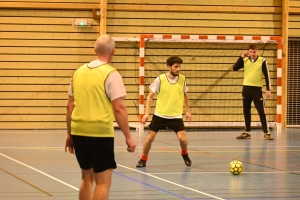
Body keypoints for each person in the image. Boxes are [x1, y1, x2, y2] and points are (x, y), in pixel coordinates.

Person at [65, 34, 136, 200]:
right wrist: (128, 137)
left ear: (95, 50)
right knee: (103, 182)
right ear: (114, 52)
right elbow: (118, 108)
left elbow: (69, 105)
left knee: (86, 177)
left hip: (78, 131)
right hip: (100, 134)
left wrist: (69, 134)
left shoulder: (78, 72)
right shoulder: (112, 74)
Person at [136, 56, 192, 168]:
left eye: (179, 66)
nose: (178, 69)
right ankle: (143, 159)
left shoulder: (182, 79)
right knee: (149, 139)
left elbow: (185, 95)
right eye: (176, 66)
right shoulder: (160, 79)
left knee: (183, 139)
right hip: (160, 115)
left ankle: (184, 153)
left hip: (176, 116)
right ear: (169, 67)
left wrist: (188, 111)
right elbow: (149, 97)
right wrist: (146, 113)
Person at [233, 44, 273, 140]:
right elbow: (234, 68)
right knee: (246, 111)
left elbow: (267, 75)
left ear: (257, 51)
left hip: (257, 89)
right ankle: (247, 132)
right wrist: (241, 57)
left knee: (261, 110)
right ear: (248, 52)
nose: (252, 54)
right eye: (251, 52)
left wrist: (268, 89)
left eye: (254, 52)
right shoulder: (245, 60)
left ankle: (266, 132)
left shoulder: (262, 61)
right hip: (246, 89)